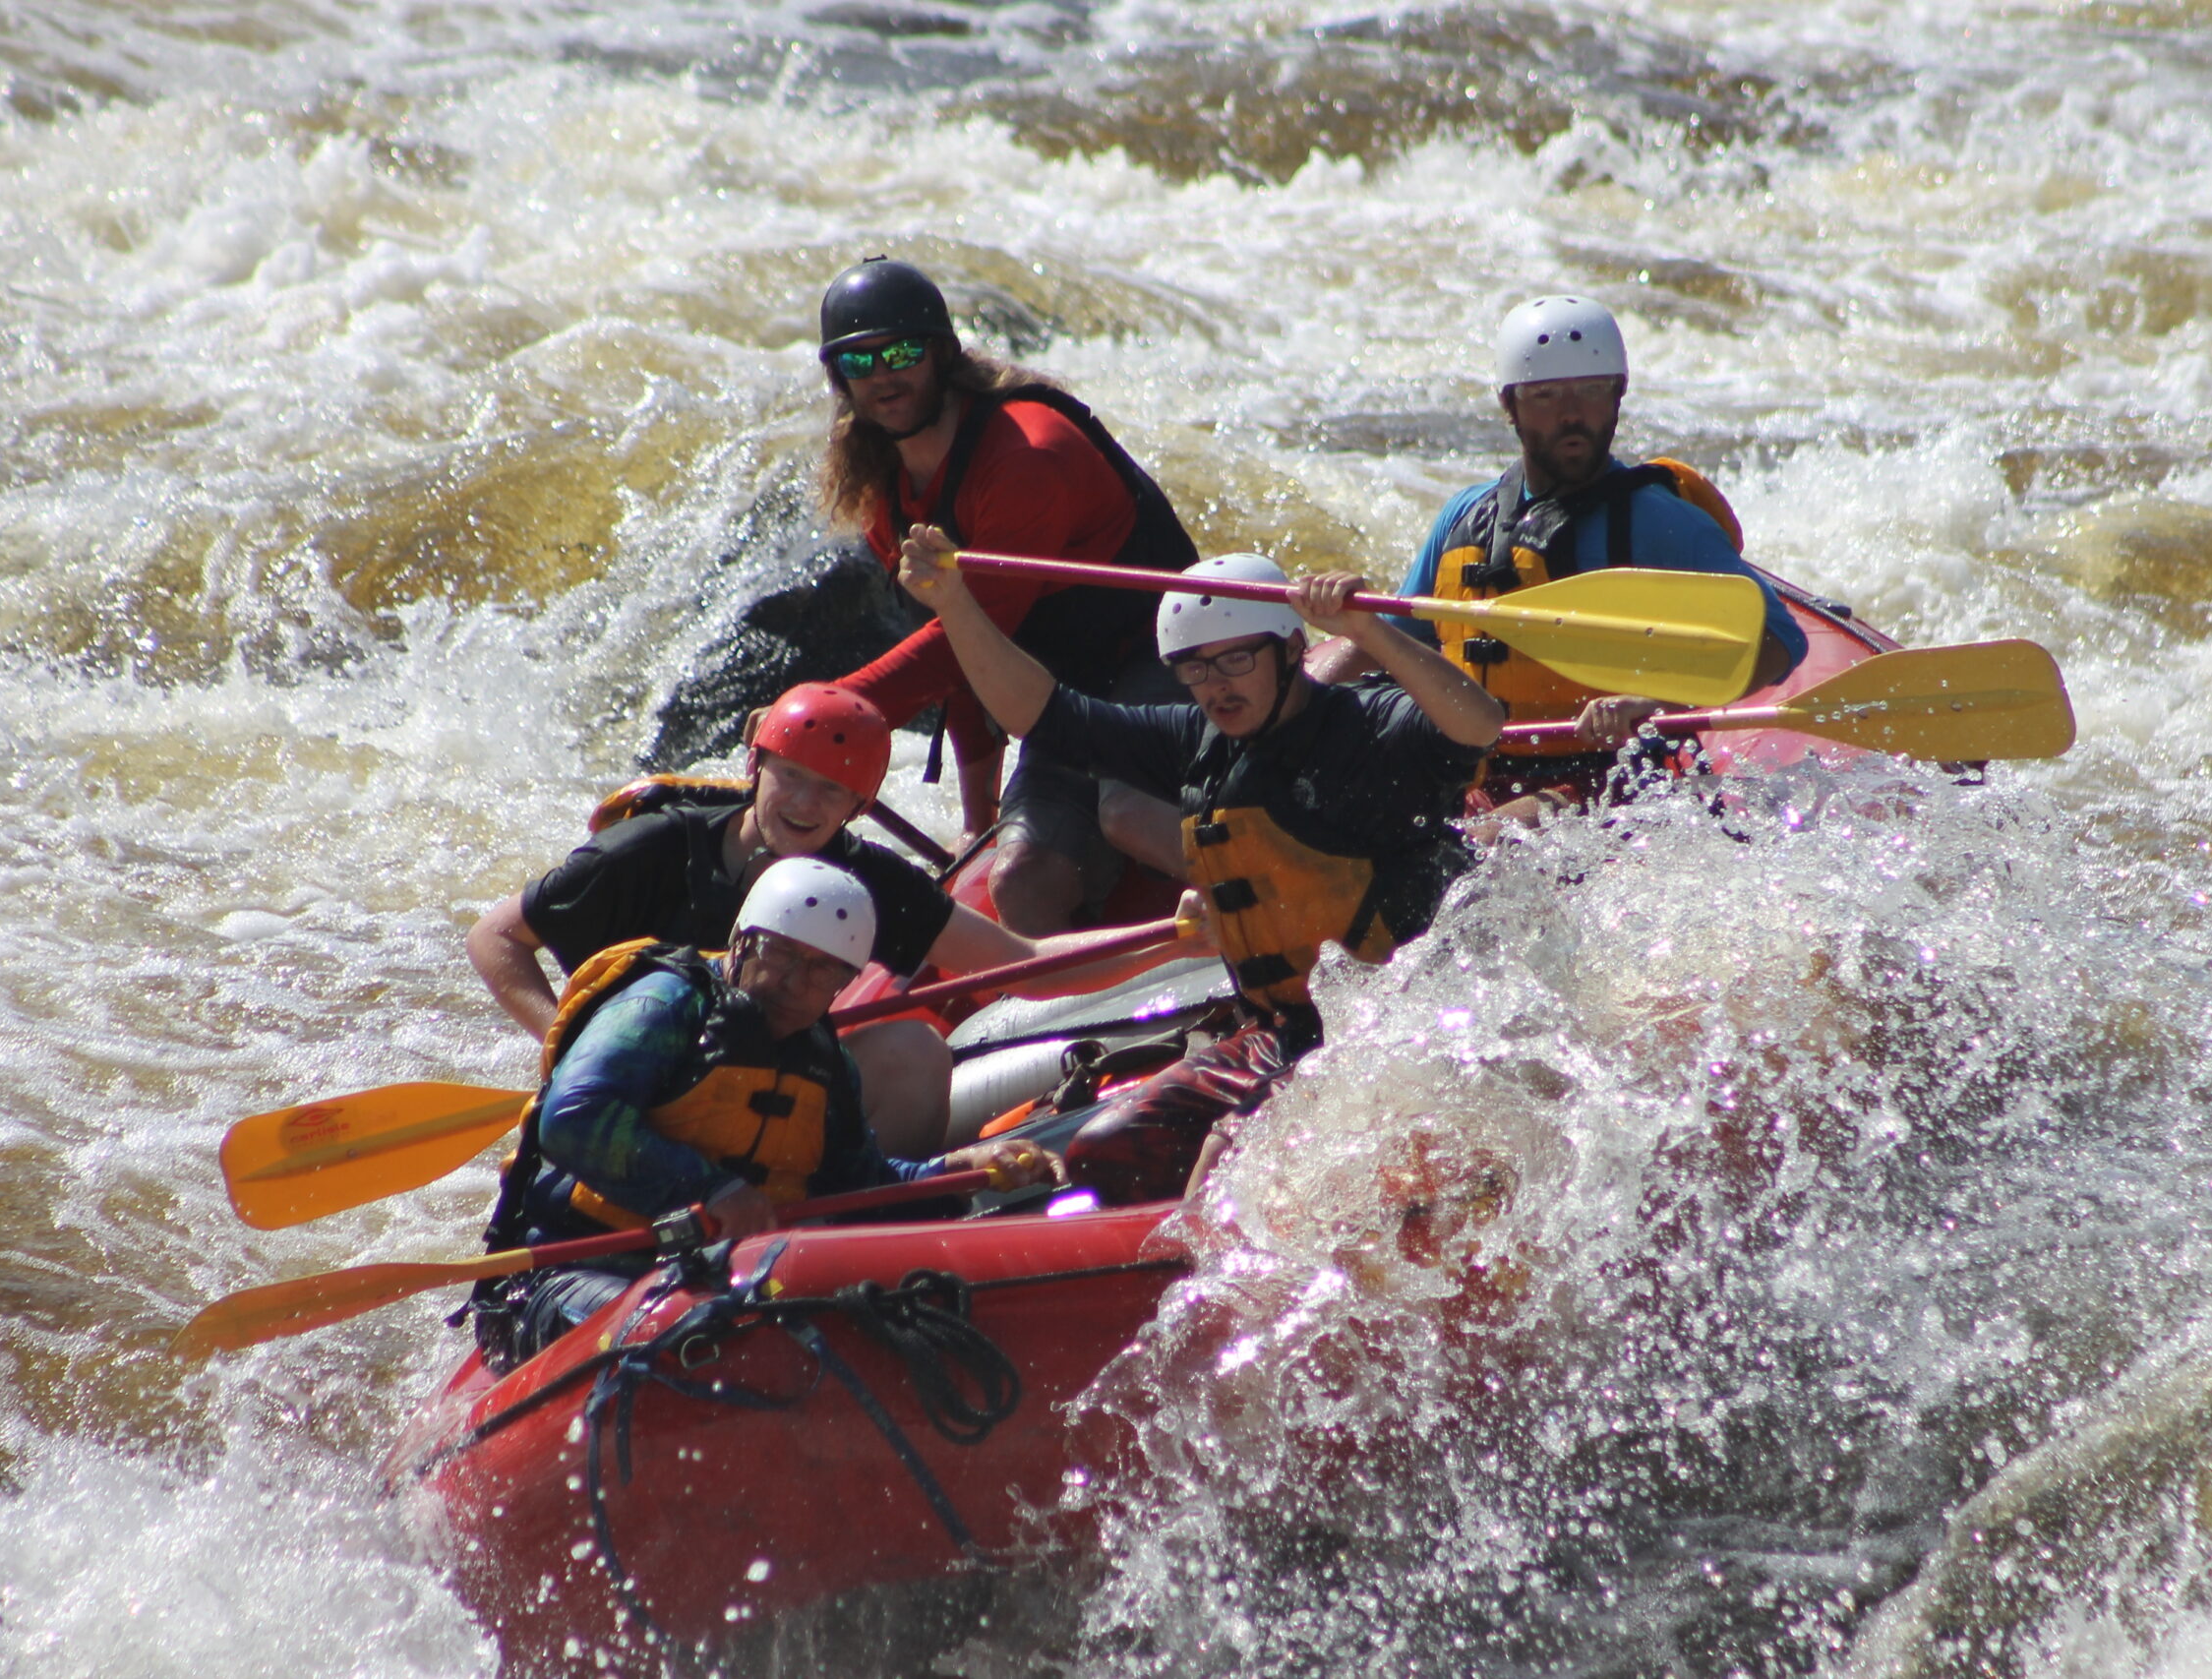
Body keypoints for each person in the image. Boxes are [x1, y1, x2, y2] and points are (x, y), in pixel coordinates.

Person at [896, 533, 1503, 1202]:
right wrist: (953, 603)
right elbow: (1042, 714)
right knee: (1107, 1150)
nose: (1215, 685)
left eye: (1236, 659)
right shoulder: (1197, 740)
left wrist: (1366, 629)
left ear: (1293, 650)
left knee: (1220, 1161)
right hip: (1281, 1034)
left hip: (1389, 1032)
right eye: (1195, 667)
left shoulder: (1371, 730)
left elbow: (1478, 724)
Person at [467, 681, 1201, 1158]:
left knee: (913, 1045)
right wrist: (565, 1037)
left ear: (859, 805)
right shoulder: (653, 848)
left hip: (757, 1085)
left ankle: (857, 1211)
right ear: (757, 766)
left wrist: (1177, 935)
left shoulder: (866, 878)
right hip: (636, 1077)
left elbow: (1025, 959)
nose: (807, 805)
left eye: (834, 790)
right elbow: (496, 936)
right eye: (792, 776)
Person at [469, 858, 1060, 1369]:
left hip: (709, 1273)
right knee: (700, 1333)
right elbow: (574, 1117)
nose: (793, 983)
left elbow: (861, 1187)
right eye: (781, 954)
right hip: (564, 1272)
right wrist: (712, 1189)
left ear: (844, 984)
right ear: (745, 941)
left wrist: (960, 1169)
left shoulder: (824, 1061)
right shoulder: (663, 1005)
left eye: (820, 969)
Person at [815, 255, 1200, 933]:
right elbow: (975, 657)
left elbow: (966, 641)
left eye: (901, 352)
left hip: (1169, 666)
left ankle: (1276, 903)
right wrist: (977, 820)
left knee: (1126, 815)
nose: (883, 376)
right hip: (1064, 700)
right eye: (858, 363)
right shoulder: (885, 490)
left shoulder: (1028, 455)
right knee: (1021, 882)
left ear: (941, 353)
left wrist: (828, 711)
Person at [1321, 294, 1811, 823]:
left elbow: (1780, 642)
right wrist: (1300, 696)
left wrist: (1657, 707)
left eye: (1592, 391)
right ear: (1510, 405)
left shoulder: (1657, 520)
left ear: (1618, 396)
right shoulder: (1466, 517)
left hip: (1611, 774)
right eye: (1546, 394)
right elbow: (1394, 641)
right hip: (1475, 770)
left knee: (1478, 843)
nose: (1572, 413)